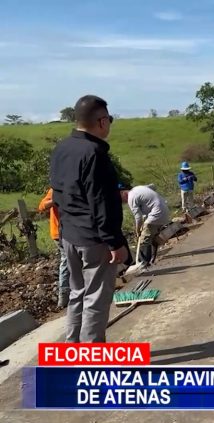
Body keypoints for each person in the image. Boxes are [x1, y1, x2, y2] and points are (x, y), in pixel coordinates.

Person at [50, 94, 129, 343]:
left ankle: (72, 348)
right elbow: (101, 202)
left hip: (69, 235)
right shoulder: (94, 153)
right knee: (95, 300)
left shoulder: (61, 149)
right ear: (102, 121)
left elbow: (57, 193)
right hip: (94, 239)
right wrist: (114, 242)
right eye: (110, 120)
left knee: (78, 294)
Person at [122, 185, 171, 275]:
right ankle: (152, 258)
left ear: (123, 193)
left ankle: (143, 264)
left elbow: (138, 218)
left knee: (144, 240)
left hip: (156, 215)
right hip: (164, 212)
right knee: (153, 237)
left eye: (121, 200)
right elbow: (153, 186)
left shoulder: (131, 198)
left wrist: (137, 230)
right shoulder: (138, 189)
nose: (123, 202)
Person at [37, 188, 70, 308]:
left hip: (72, 231)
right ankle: (64, 296)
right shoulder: (55, 190)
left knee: (73, 260)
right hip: (59, 233)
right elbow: (42, 206)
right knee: (66, 261)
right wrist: (55, 200)